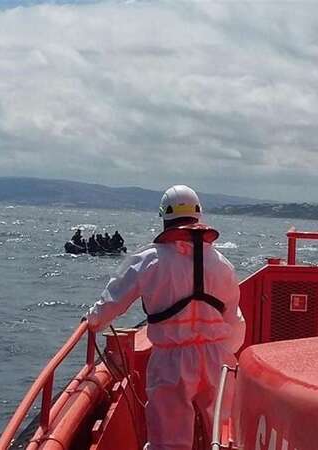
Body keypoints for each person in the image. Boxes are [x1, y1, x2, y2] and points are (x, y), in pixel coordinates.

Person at [85, 185, 246, 450]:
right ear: (199, 216)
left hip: (172, 361)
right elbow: (235, 319)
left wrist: (92, 320)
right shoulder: (222, 263)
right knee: (222, 431)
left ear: (164, 217)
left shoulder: (150, 260)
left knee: (169, 441)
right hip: (218, 358)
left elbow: (114, 300)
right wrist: (225, 351)